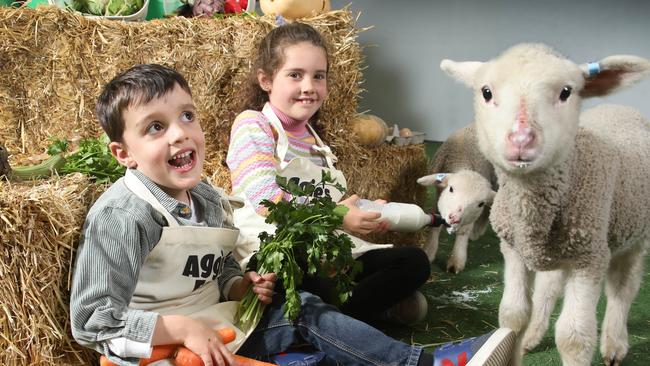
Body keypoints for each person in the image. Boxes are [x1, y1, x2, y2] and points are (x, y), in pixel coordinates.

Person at [70, 63, 516, 366]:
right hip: (161, 349)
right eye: (155, 127)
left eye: (186, 116)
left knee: (303, 306)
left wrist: (240, 283)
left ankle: (425, 362)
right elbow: (92, 323)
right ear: (123, 153)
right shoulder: (124, 215)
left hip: (221, 323)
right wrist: (182, 329)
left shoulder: (205, 196)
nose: (180, 134)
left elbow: (217, 261)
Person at [227, 21, 431, 326]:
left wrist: (364, 212)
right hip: (275, 251)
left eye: (318, 76)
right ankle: (355, 315)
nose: (309, 86)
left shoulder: (317, 141)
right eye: (295, 75)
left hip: (325, 255)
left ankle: (334, 318)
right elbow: (267, 202)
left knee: (414, 262)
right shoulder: (253, 125)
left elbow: (328, 205)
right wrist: (338, 216)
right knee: (300, 273)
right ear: (266, 80)